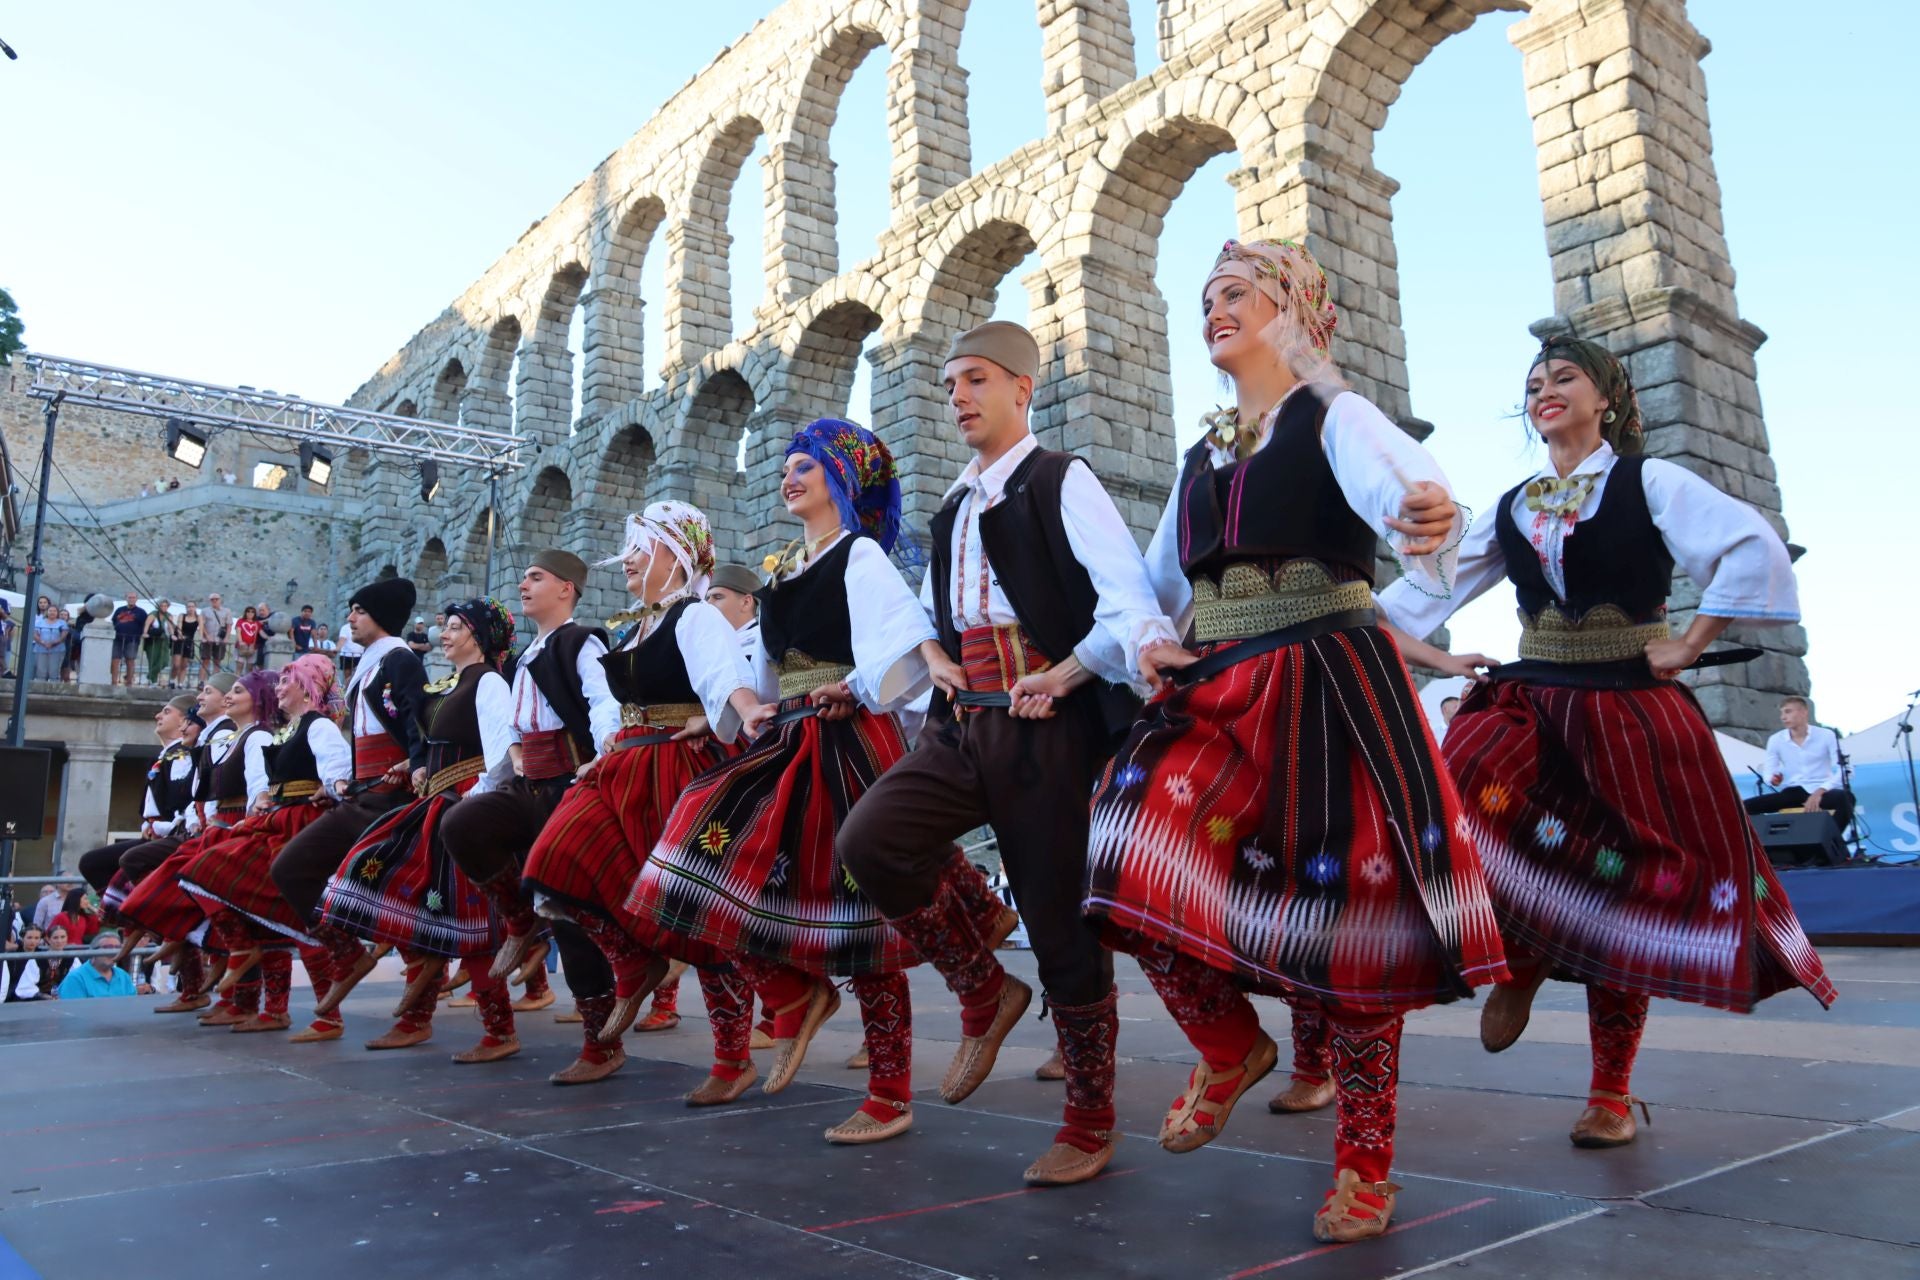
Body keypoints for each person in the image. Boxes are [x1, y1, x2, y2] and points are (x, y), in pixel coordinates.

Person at [1083, 240, 1506, 1242]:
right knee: (1120, 838)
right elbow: (1153, 587)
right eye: (1207, 299)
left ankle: (1365, 1157)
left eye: (1237, 293)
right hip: (1221, 684)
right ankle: (1229, 1042)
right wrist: (1125, 644)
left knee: (1349, 917)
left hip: (1325, 681)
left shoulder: (1333, 413)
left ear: (1294, 311)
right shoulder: (1203, 455)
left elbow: (1404, 487)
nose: (1215, 310)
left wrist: (1425, 510)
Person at [1377, 335, 1835, 1157]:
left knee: (1625, 895)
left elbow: (1747, 545)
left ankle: (1611, 1095)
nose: (1545, 391)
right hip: (1538, 695)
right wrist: (1440, 657)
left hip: (1626, 707)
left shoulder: (1647, 480)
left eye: (1564, 378)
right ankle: (1517, 959)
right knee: (1463, 782)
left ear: (1608, 399)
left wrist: (1688, 644)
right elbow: (1418, 592)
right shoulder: (1513, 505)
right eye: (1534, 383)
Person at [834, 321, 1176, 1185]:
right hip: (964, 720)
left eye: (976, 380)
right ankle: (983, 986)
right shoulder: (953, 505)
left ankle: (1090, 1119)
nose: (958, 397)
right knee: (870, 839)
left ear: (1023, 388)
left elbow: (1122, 591)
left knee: (1060, 919)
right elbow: (926, 610)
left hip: (1045, 725)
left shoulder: (1061, 480)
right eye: (950, 384)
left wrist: (1070, 673)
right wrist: (933, 656)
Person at [633, 419, 996, 1147]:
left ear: (842, 478)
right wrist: (730, 714)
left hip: (849, 739)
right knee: (698, 855)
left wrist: (856, 689)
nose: (789, 476)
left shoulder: (860, 555)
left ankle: (891, 1092)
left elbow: (897, 637)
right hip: (792, 736)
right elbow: (762, 674)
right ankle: (793, 991)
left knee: (862, 921)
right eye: (787, 466)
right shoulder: (784, 574)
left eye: (807, 465)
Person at [520, 504, 769, 1101]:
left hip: (677, 772)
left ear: (672, 553)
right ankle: (632, 962)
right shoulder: (639, 625)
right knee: (552, 866)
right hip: (622, 766)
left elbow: (721, 680)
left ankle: (733, 1058)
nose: (627, 559)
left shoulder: (696, 617)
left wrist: (734, 711)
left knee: (699, 919)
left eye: (638, 547)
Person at [439, 549, 630, 1085]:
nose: (524, 584)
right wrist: (510, 765)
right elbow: (519, 732)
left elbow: (603, 702)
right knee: (463, 824)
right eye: (523, 576)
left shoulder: (581, 640)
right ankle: (520, 921)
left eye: (536, 577)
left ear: (566, 588)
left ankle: (601, 1043)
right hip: (531, 784)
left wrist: (606, 748)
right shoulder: (525, 657)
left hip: (572, 784)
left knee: (566, 904)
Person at [320, 597, 524, 1059]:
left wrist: (473, 799)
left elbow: (500, 754)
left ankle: (499, 1030)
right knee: (401, 892)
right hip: (436, 800)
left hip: (463, 805)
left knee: (467, 916)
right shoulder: (451, 683)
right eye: (444, 626)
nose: (444, 634)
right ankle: (417, 1019)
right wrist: (418, 769)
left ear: (479, 635)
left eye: (454, 626)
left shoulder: (488, 681)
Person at [264, 577, 431, 1030]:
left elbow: (418, 724)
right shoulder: (371, 664)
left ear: (380, 616)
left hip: (393, 798)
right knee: (289, 868)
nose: (350, 618)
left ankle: (416, 1013)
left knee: (395, 900)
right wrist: (344, 783)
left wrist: (414, 768)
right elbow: (364, 740)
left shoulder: (400, 661)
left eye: (358, 611)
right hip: (365, 795)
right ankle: (348, 954)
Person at [177, 656, 353, 1034]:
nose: (278, 687)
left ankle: (327, 1015)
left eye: (286, 680)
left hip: (301, 824)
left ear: (306, 687)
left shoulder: (319, 726)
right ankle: (252, 966)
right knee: (209, 873)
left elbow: (338, 769)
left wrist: (333, 787)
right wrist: (265, 798)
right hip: (276, 819)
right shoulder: (287, 730)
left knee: (297, 917)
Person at [120, 669, 279, 1022]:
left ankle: (239, 978)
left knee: (206, 883)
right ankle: (203, 954)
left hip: (244, 825)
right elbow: (205, 794)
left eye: (234, 691)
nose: (220, 697)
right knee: (180, 879)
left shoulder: (253, 736)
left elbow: (258, 785)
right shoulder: (229, 737)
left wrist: (246, 817)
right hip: (220, 826)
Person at [77, 695, 201, 924]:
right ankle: (132, 916)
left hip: (176, 835)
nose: (158, 716)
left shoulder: (183, 756)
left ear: (184, 720)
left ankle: (143, 914)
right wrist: (149, 823)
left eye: (166, 712)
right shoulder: (169, 755)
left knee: (114, 861)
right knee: (92, 863)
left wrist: (161, 825)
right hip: (160, 833)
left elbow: (183, 800)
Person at [1744, 696, 1854, 835]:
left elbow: (1846, 770)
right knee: (1744, 807)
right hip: (1794, 792)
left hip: (1822, 790)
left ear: (1803, 712)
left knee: (1846, 798)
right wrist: (1772, 779)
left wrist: (1820, 791)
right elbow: (1769, 770)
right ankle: (1763, 849)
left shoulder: (1826, 735)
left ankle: (1830, 841)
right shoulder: (1776, 740)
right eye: (1782, 713)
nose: (1783, 717)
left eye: (1788, 712)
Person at [56, 930, 143, 998]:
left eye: (117, 948)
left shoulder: (123, 976)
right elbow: (73, 1015)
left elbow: (131, 1006)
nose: (113, 952)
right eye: (108, 947)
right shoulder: (75, 979)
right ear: (93, 951)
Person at [4, 925, 54, 1001]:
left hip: (35, 993)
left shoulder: (42, 956)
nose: (33, 941)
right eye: (29, 937)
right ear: (23, 938)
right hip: (12, 993)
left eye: (36, 938)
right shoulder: (12, 955)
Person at [109, 592, 148, 687]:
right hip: (117, 638)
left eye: (133, 597)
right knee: (115, 659)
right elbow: (114, 621)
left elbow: (145, 624)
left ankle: (129, 682)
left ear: (136, 599)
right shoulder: (119, 610)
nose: (131, 599)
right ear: (126, 598)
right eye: (129, 597)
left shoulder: (141, 612)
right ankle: (114, 682)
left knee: (130, 660)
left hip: (132, 639)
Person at [143, 600, 176, 687]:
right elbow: (147, 624)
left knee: (164, 661)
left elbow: (170, 627)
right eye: (162, 606)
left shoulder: (169, 616)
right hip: (153, 640)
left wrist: (172, 635)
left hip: (163, 640)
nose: (163, 608)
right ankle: (153, 682)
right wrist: (145, 633)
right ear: (158, 606)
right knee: (152, 660)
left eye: (165, 606)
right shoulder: (153, 614)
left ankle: (150, 675)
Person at [31, 604, 66, 683]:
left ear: (57, 612)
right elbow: (34, 634)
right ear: (47, 612)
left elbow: (64, 635)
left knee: (54, 670)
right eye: (50, 611)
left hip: (57, 650)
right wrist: (43, 643)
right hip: (41, 648)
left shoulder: (62, 623)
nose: (52, 612)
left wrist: (53, 643)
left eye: (54, 611)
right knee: (40, 670)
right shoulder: (39, 622)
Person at [201, 593, 233, 681]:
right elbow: (202, 625)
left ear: (220, 600)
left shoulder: (227, 611)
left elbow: (229, 625)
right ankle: (201, 681)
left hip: (220, 639)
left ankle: (213, 682)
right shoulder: (204, 611)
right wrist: (207, 636)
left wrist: (226, 638)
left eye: (216, 599)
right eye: (212, 599)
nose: (214, 601)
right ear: (209, 601)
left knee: (217, 661)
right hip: (208, 639)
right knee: (205, 661)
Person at [174, 600, 201, 687]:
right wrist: (180, 634)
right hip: (180, 641)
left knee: (184, 665)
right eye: (189, 606)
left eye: (192, 606)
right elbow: (179, 627)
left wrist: (202, 638)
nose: (190, 608)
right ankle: (172, 680)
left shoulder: (198, 617)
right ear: (186, 608)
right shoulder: (182, 616)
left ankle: (180, 683)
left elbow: (201, 629)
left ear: (195, 608)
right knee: (176, 664)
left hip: (189, 642)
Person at [0, 598, 15, 678]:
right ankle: (6, 672)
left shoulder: (3, 601)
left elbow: (6, 617)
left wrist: (1, 612)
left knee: (1, 656)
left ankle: (6, 672)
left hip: (0, 633)